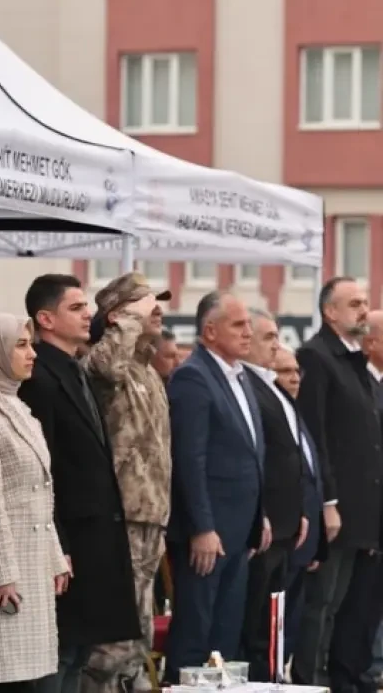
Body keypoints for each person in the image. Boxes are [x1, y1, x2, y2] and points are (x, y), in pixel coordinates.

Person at [17, 275, 140, 693]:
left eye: (86, 305)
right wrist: (59, 543)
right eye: (76, 307)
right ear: (45, 319)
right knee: (61, 651)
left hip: (95, 533)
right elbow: (43, 468)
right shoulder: (40, 376)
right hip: (69, 536)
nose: (88, 313)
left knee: (81, 649)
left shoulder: (74, 369)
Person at [164, 291, 270, 681]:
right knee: (196, 631)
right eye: (238, 325)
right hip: (208, 535)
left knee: (225, 634)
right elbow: (190, 460)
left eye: (249, 324)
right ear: (210, 331)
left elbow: (248, 455)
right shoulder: (194, 376)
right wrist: (202, 527)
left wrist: (261, 515)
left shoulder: (237, 376)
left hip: (239, 531)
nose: (249, 332)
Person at [0, 313, 70, 693]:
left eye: (31, 345)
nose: (32, 355)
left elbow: (41, 491)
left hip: (34, 563)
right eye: (21, 346)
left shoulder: (18, 406)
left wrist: (56, 558)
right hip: (5, 573)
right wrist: (1, 572)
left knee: (32, 677)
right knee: (5, 677)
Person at [82, 274, 172, 692]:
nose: (157, 310)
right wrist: (125, 322)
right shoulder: (105, 361)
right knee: (113, 640)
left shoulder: (146, 368)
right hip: (121, 515)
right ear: (118, 316)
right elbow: (105, 365)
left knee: (139, 634)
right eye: (146, 304)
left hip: (150, 515)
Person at [292, 277, 379, 689]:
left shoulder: (354, 361)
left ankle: (345, 679)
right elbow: (315, 435)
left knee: (352, 606)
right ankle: (312, 678)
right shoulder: (316, 356)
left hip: (363, 512)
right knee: (322, 603)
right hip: (337, 510)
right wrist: (328, 501)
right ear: (331, 312)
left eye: (365, 303)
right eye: (356, 304)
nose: (365, 310)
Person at [240, 310, 310, 682]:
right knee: (253, 622)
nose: (276, 345)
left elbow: (290, 456)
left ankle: (268, 679)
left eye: (276, 336)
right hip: (264, 526)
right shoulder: (248, 385)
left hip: (285, 523)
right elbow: (258, 456)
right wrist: (263, 511)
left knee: (273, 621)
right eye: (268, 337)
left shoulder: (270, 385)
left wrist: (297, 510)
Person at [275, 346, 327, 674]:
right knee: (275, 626)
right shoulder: (272, 412)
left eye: (296, 372)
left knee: (293, 622)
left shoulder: (296, 414)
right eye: (285, 371)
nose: (294, 378)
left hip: (304, 538)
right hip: (282, 535)